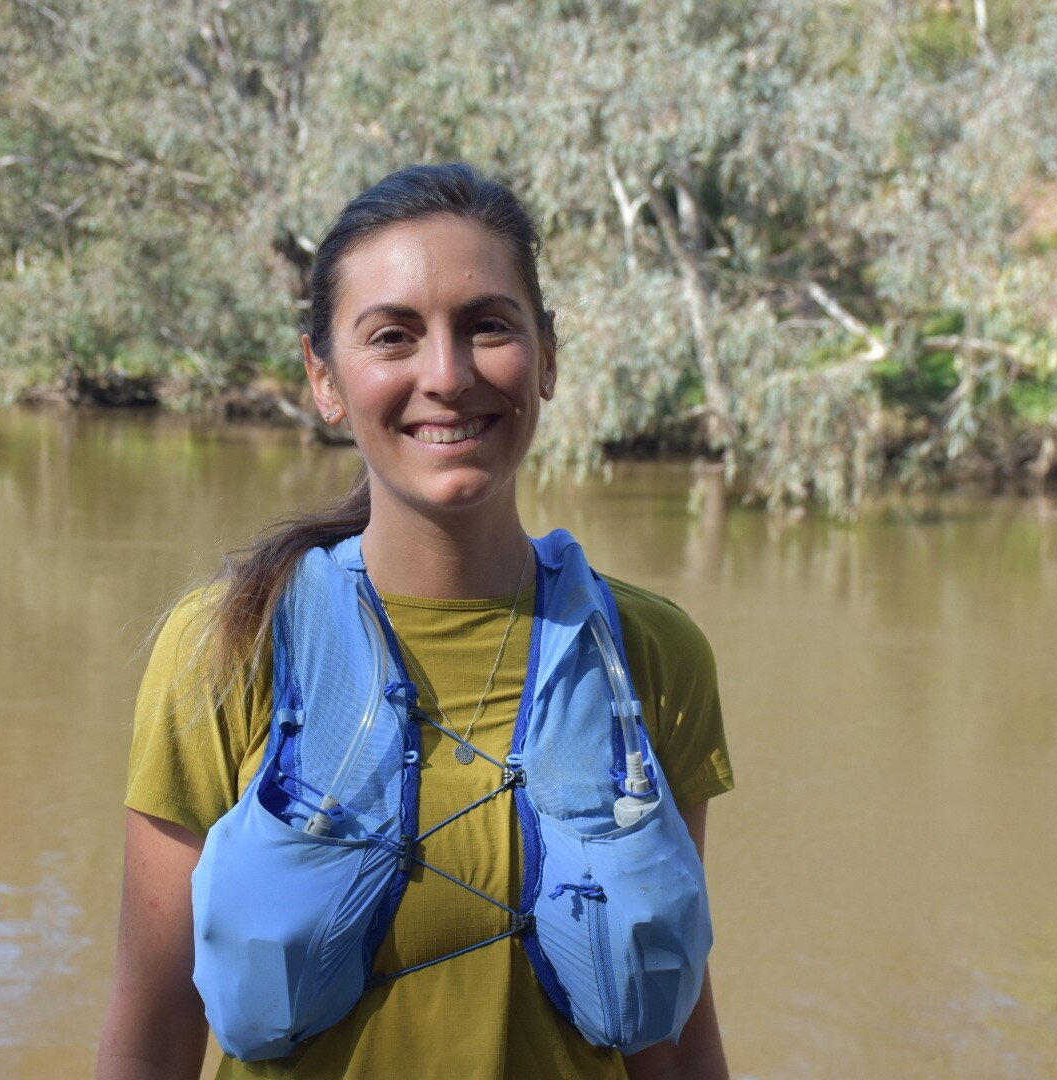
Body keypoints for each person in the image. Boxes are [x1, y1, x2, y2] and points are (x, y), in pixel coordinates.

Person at [98, 163, 734, 1080]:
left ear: (545, 356)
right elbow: (152, 1029)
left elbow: (674, 1040)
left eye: (488, 326)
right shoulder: (228, 647)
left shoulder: (649, 657)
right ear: (325, 378)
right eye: (393, 336)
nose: (447, 374)